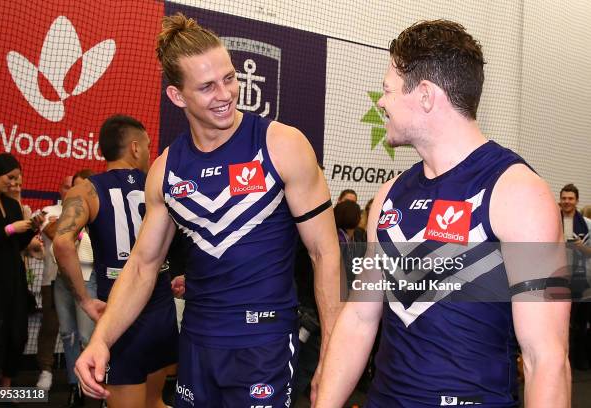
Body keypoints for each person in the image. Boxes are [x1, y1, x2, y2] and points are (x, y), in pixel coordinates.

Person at [75, 13, 341, 408]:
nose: (226, 94)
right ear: (177, 96)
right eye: (207, 87)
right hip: (197, 344)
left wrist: (333, 357)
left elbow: (326, 253)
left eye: (229, 78)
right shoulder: (165, 170)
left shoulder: (283, 145)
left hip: (264, 345)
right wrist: (100, 339)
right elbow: (143, 267)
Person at [317, 20, 570, 407]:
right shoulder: (388, 195)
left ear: (425, 96)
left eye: (387, 90)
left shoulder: (520, 192)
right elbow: (359, 318)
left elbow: (546, 358)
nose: (381, 102)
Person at [53, 115, 178, 408]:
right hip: (161, 307)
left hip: (120, 314)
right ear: (135, 148)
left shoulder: (86, 190)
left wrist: (84, 299)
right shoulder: (158, 186)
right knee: (156, 402)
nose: (149, 152)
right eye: (147, 146)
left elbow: (61, 242)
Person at [0, 153, 43, 390]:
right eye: (11, 178)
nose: (15, 184)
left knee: (17, 333)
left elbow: (18, 242)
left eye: (18, 179)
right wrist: (8, 229)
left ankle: (2, 386)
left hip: (12, 279)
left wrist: (31, 227)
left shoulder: (11, 203)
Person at [53, 168, 97, 407]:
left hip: (88, 277)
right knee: (67, 334)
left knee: (86, 336)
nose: (76, 191)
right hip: (63, 279)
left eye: (81, 186)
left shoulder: (97, 211)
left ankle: (88, 388)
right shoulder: (64, 213)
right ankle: (73, 384)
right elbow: (56, 244)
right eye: (72, 187)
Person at [36, 175, 73, 390]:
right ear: (60, 190)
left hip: (83, 281)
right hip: (51, 279)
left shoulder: (88, 210)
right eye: (66, 187)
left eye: (74, 187)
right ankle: (45, 371)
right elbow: (55, 234)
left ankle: (76, 378)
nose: (69, 191)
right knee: (50, 328)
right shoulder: (49, 212)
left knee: (78, 332)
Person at [559, 183, 591, 370]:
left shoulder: (587, 225)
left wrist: (580, 246)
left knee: (580, 322)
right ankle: (562, 360)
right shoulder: (551, 220)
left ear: (576, 200)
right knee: (562, 323)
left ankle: (579, 360)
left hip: (582, 279)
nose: (567, 201)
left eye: (570, 198)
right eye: (564, 198)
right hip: (558, 278)